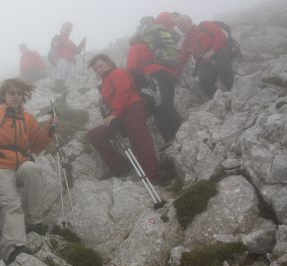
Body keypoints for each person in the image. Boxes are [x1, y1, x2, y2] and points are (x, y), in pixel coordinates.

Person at [0, 78, 56, 263]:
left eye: (18, 93)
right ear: (4, 96)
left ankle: (35, 222)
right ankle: (16, 245)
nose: (15, 96)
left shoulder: (28, 118)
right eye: (11, 93)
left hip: (21, 161)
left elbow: (36, 145)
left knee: (32, 169)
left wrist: (50, 129)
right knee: (11, 202)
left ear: (23, 96)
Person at [86, 54, 161, 184]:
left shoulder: (117, 72)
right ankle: (120, 166)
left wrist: (114, 114)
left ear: (109, 63)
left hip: (133, 107)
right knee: (95, 135)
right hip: (120, 117)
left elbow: (123, 91)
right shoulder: (104, 84)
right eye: (96, 68)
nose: (99, 69)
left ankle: (154, 176)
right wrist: (113, 116)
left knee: (139, 140)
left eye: (100, 65)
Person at [127, 12, 183, 145]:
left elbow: (132, 68)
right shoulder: (152, 45)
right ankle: (180, 132)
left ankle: (171, 137)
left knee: (160, 106)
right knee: (167, 103)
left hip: (154, 74)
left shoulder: (137, 47)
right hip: (170, 73)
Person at [176, 14, 234, 99]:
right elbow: (182, 59)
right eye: (178, 26)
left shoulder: (205, 26)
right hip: (202, 61)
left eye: (182, 24)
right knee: (205, 82)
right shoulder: (186, 41)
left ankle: (233, 95)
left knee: (227, 76)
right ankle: (217, 101)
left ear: (190, 21)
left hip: (218, 52)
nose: (180, 27)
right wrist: (175, 74)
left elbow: (221, 35)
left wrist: (212, 51)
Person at [50, 22, 87, 89]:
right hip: (62, 58)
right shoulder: (58, 37)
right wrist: (57, 45)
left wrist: (82, 44)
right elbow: (54, 45)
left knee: (71, 75)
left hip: (71, 60)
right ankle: (59, 88)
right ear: (62, 29)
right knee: (62, 72)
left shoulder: (70, 41)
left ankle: (68, 89)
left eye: (69, 30)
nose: (68, 31)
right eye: (67, 29)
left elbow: (76, 50)